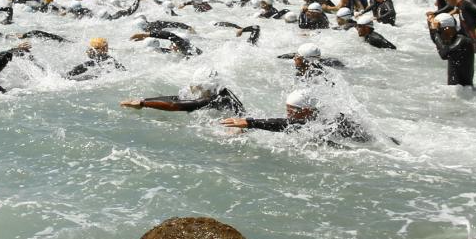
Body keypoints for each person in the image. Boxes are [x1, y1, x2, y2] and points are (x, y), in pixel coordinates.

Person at [219, 89, 372, 144]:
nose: (288, 114)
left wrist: (249, 123)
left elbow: (284, 124)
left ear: (306, 110)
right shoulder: (320, 114)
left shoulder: (325, 121)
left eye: (291, 110)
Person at [120, 80, 244, 114]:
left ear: (207, 89)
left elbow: (175, 106)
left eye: (198, 89)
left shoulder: (215, 99)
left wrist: (143, 104)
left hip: (240, 127)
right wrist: (143, 100)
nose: (195, 92)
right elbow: (177, 98)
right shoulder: (217, 90)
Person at [428, 12, 475, 87]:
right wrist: (430, 22)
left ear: (448, 29)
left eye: (440, 31)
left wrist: (435, 31)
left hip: (465, 92)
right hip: (456, 90)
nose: (439, 34)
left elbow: (444, 54)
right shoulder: (451, 40)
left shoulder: (463, 41)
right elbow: (436, 40)